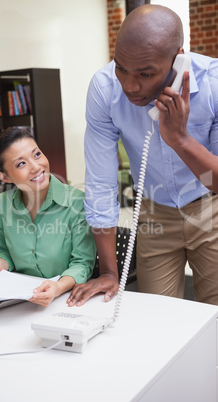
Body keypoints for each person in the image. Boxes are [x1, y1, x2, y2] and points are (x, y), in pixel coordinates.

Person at [67, 4, 218, 306]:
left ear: (178, 61)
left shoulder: (213, 83)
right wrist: (110, 271)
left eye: (146, 74)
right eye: (121, 67)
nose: (130, 86)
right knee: (155, 318)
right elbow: (101, 184)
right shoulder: (104, 87)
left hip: (210, 207)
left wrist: (180, 139)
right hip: (152, 210)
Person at [0, 127, 96, 306]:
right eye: (21, 164)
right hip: (19, 299)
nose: (36, 167)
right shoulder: (2, 203)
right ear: (5, 177)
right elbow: (3, 251)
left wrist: (57, 287)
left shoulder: (77, 203)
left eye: (37, 154)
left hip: (65, 299)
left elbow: (82, 264)